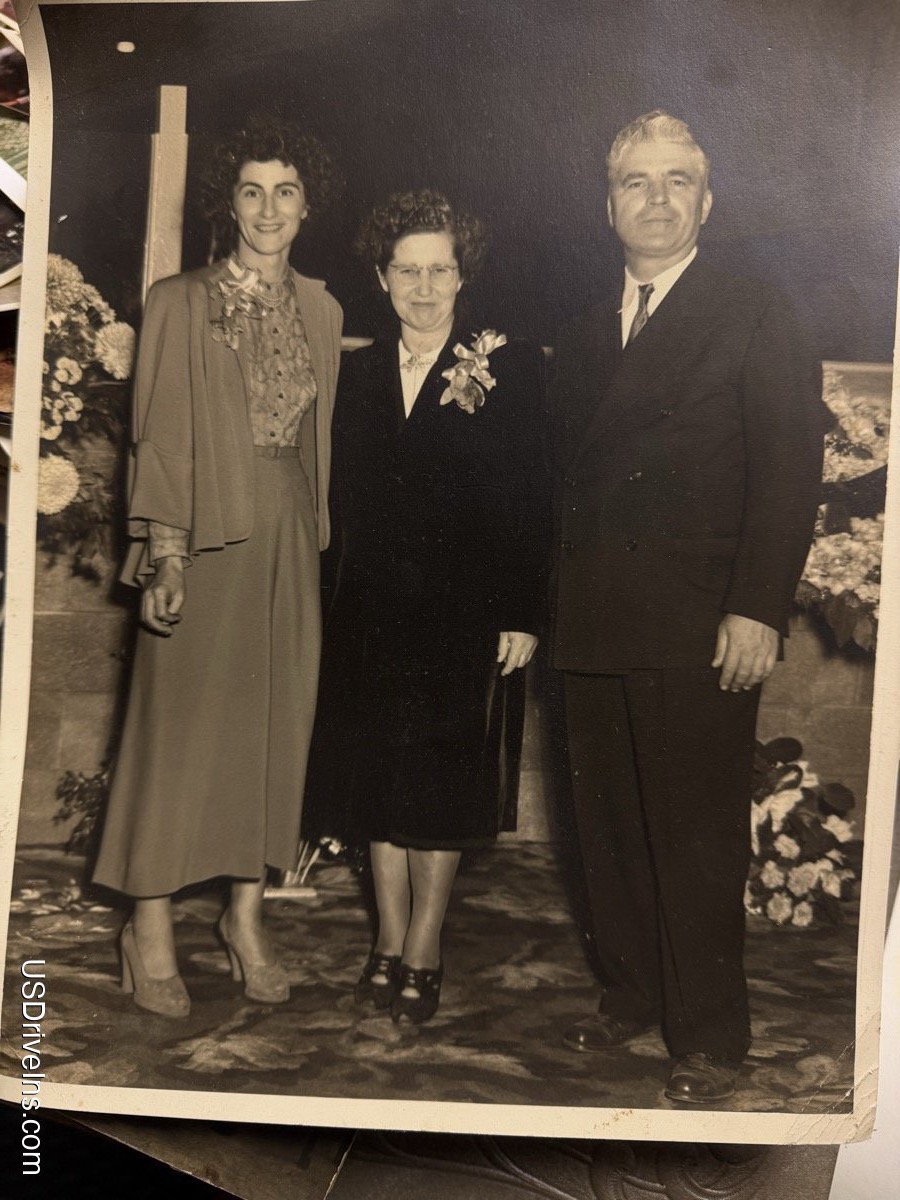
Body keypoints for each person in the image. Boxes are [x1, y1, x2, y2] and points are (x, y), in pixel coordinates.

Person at [550, 112, 824, 1102]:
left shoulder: (755, 310)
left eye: (678, 181)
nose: (657, 200)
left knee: (693, 835)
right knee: (606, 827)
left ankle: (709, 1036)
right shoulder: (584, 330)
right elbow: (559, 488)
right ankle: (630, 998)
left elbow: (791, 469)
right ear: (607, 205)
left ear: (707, 201)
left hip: (700, 620)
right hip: (592, 617)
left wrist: (757, 607)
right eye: (635, 181)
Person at [92, 117, 343, 1018]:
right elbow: (157, 435)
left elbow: (319, 445)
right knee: (176, 731)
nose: (267, 208)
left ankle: (246, 919)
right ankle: (148, 926)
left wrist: (314, 539)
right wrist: (165, 552)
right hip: (202, 537)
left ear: (307, 206)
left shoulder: (324, 309)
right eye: (250, 190)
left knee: (276, 725)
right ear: (227, 203)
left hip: (289, 541)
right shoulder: (178, 299)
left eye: (285, 191)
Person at [304, 189, 551, 1024]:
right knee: (378, 776)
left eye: (438, 269)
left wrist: (521, 609)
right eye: (406, 270)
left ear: (461, 276)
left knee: (441, 782)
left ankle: (425, 946)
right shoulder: (357, 371)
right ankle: (386, 937)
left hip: (464, 611)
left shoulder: (505, 367)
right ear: (381, 278)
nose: (423, 286)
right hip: (371, 608)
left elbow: (528, 496)